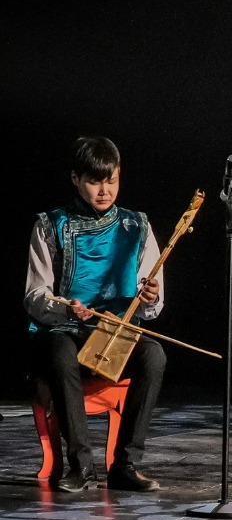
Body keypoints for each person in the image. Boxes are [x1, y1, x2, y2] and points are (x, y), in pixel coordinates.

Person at [25, 137, 167, 492]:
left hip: (115, 335)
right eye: (94, 182)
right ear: (76, 179)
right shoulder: (50, 225)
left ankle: (126, 464)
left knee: (153, 354)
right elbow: (35, 294)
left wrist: (150, 297)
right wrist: (65, 306)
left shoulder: (137, 226)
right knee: (60, 353)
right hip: (66, 332)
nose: (105, 191)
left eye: (111, 181)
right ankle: (81, 465)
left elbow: (151, 306)